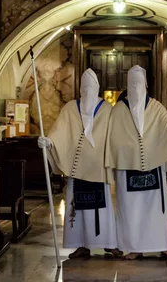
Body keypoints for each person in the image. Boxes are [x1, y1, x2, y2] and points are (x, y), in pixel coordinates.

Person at [105, 65, 167, 260]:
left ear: (145, 84)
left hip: (153, 164)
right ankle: (135, 247)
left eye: (139, 83)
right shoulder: (119, 109)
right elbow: (111, 136)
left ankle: (163, 245)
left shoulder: (155, 106)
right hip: (127, 167)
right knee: (131, 209)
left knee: (156, 209)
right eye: (132, 83)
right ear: (128, 85)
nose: (136, 87)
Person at [38, 69, 120, 259]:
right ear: (80, 89)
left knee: (102, 208)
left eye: (91, 86)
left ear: (98, 88)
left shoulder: (107, 109)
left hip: (99, 167)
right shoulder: (70, 108)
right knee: (78, 208)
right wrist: (49, 142)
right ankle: (81, 244)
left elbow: (114, 135)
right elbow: (60, 131)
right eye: (84, 87)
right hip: (77, 168)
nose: (87, 90)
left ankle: (108, 243)